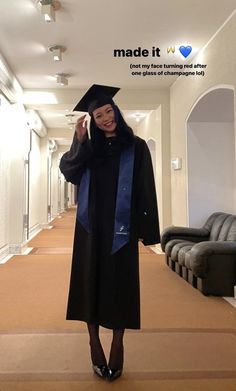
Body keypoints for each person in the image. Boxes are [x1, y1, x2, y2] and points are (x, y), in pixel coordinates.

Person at [59, 84, 160, 382]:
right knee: (89, 281)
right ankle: (93, 342)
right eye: (98, 115)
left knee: (120, 286)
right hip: (90, 228)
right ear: (92, 119)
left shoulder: (136, 146)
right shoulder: (90, 149)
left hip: (121, 230)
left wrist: (146, 230)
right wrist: (78, 143)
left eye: (108, 111)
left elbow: (145, 189)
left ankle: (117, 342)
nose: (105, 118)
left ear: (116, 111)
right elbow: (68, 172)